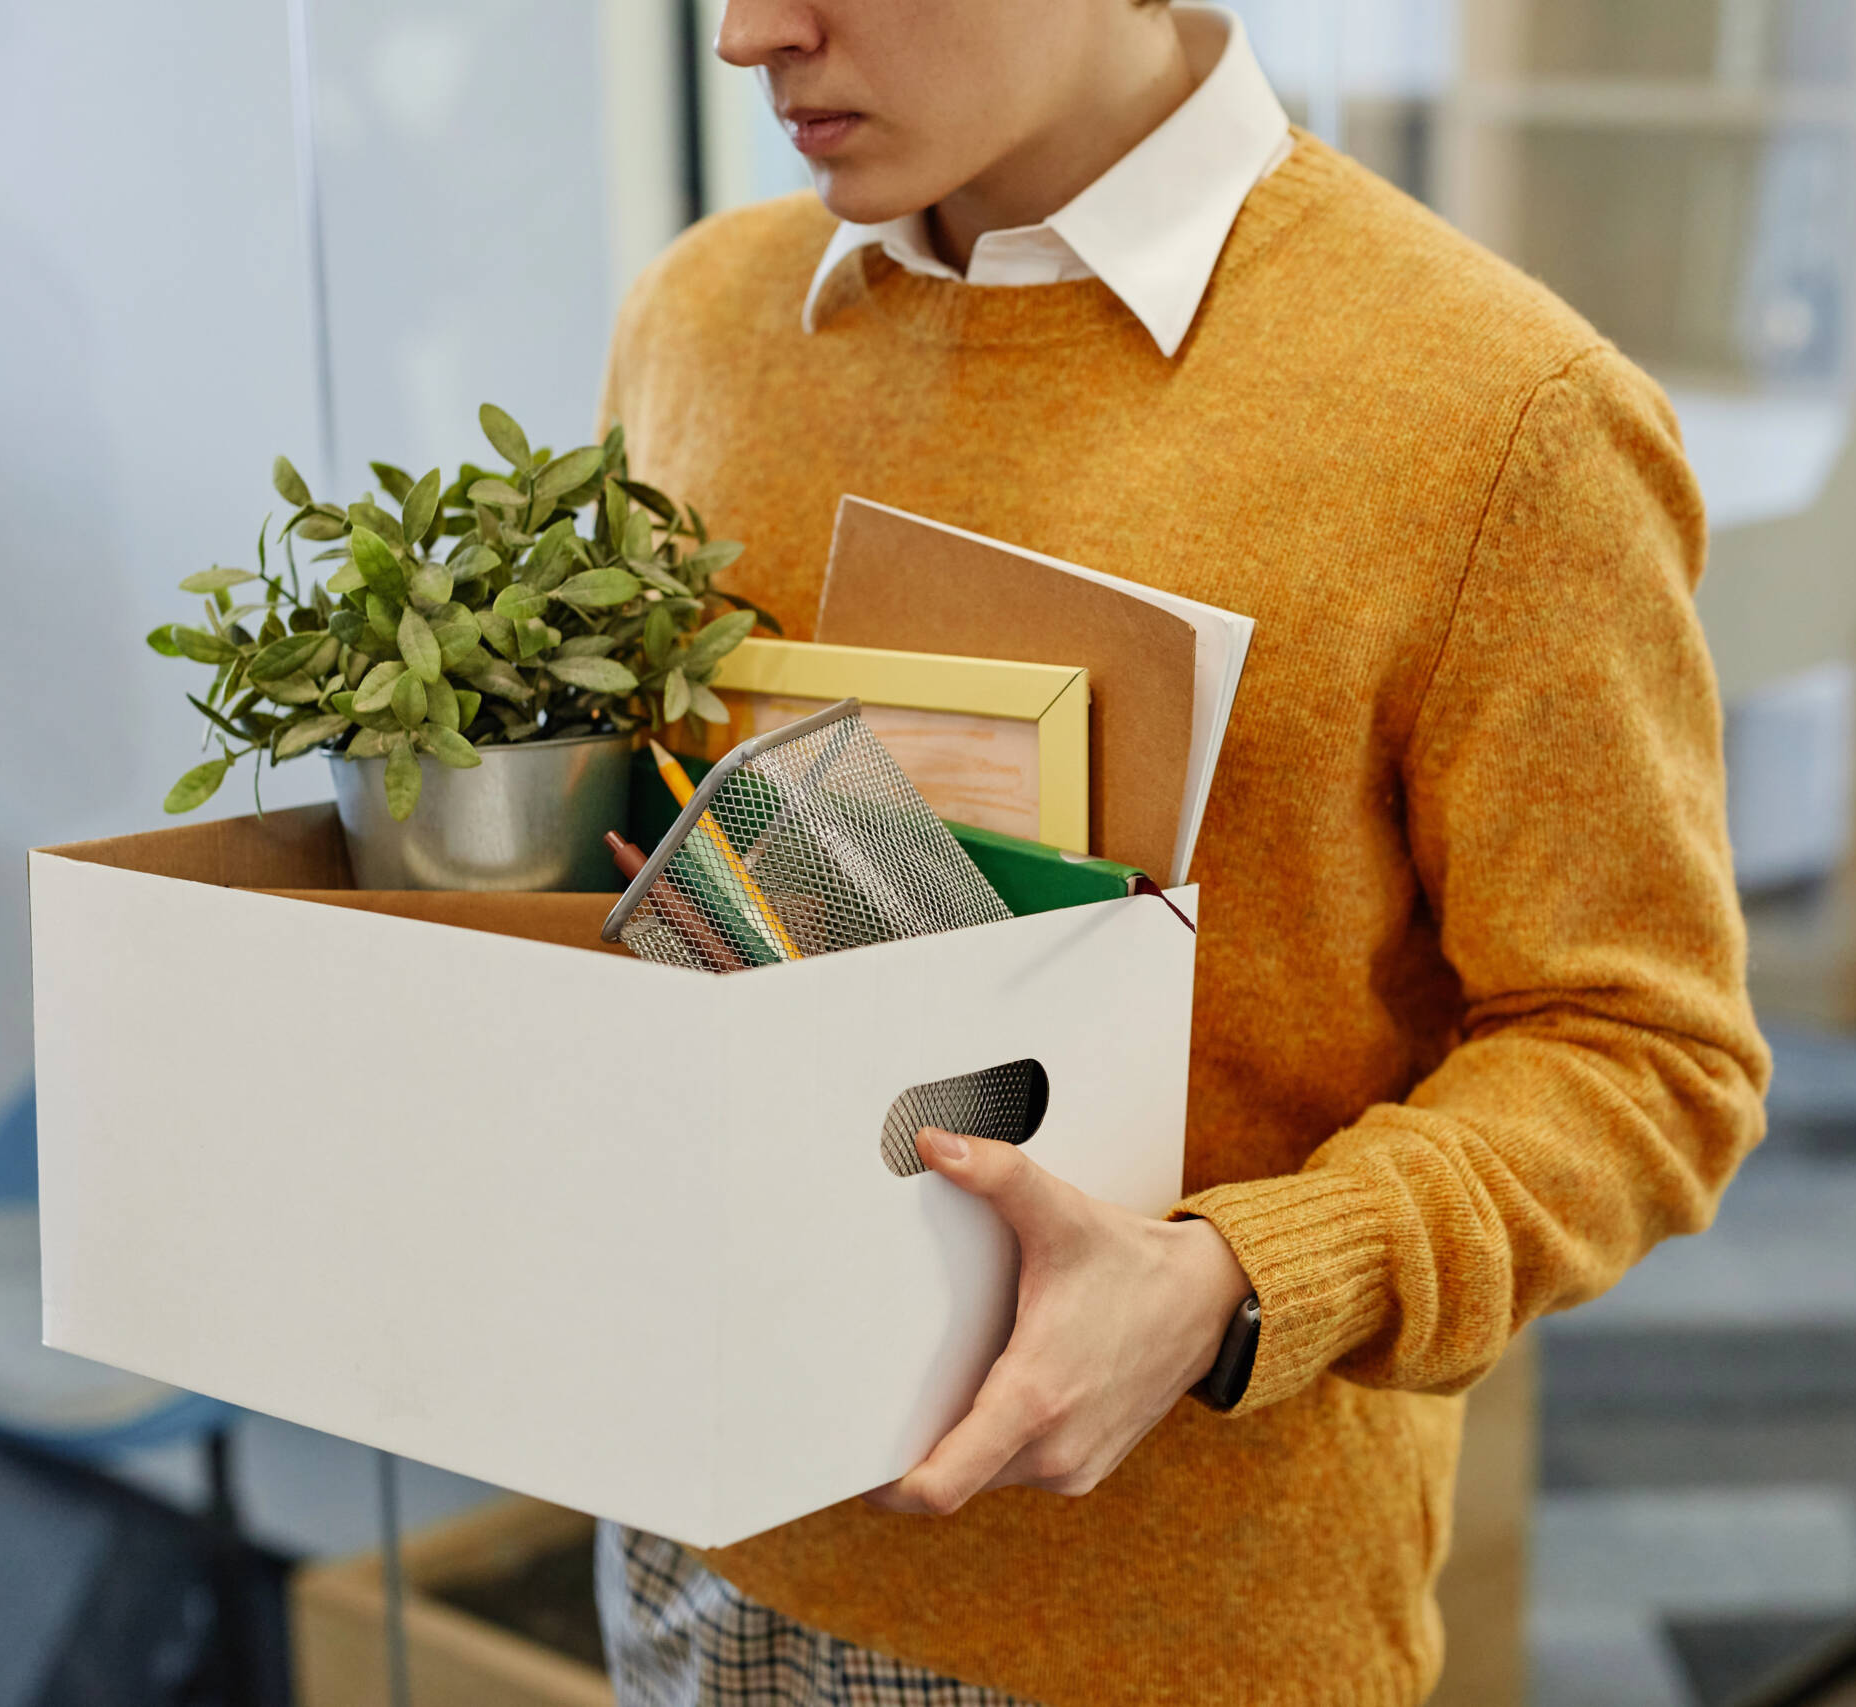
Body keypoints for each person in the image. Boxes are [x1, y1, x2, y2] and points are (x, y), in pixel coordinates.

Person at [593, 1, 1771, 1700]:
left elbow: (1646, 1051)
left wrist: (1230, 1284)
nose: (752, 35)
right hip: (694, 1540)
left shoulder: (1499, 415)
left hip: (1170, 1630)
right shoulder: (697, 319)